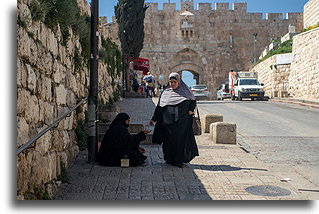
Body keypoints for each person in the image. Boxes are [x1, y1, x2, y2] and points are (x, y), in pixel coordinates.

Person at [149, 72, 199, 167]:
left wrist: (190, 110)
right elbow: (160, 107)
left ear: (179, 82)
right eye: (171, 82)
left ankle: (178, 160)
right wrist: (154, 119)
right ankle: (169, 159)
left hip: (181, 123)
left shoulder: (186, 92)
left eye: (174, 82)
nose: (172, 84)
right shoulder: (165, 93)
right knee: (168, 141)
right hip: (167, 122)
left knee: (179, 142)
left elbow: (193, 101)